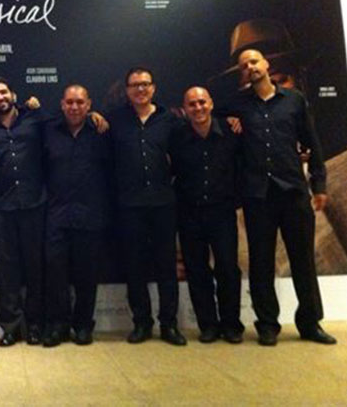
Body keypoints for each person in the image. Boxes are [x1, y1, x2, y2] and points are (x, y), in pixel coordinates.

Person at [231, 49, 336, 346]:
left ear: (266, 64)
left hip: (293, 192)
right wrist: (229, 122)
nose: (250, 67)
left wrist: (319, 184)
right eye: (244, 65)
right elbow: (208, 115)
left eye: (254, 61)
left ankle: (310, 323)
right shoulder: (238, 104)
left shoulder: (295, 100)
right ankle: (267, 325)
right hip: (257, 196)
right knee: (261, 263)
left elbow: (312, 141)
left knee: (304, 261)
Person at [108, 67, 186, 346]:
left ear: (153, 88)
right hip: (129, 205)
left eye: (145, 84)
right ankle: (141, 323)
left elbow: (184, 154)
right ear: (127, 90)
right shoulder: (114, 120)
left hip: (163, 203)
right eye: (134, 85)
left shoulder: (170, 119)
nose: (140, 89)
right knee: (135, 267)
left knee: (166, 266)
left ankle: (169, 324)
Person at [170, 87, 244, 344]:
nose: (198, 108)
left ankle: (231, 325)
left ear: (211, 103)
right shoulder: (177, 137)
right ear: (185, 109)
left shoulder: (231, 132)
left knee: (228, 269)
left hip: (222, 212)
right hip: (189, 213)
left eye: (202, 102)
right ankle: (208, 325)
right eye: (192, 104)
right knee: (197, 271)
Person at [0, 77, 49, 346]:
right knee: (7, 269)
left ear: (12, 94)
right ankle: (10, 327)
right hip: (3, 206)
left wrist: (92, 116)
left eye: (3, 92)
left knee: (35, 267)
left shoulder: (33, 118)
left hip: (34, 203)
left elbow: (65, 126)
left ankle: (35, 325)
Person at [42, 85, 111, 347]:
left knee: (86, 276)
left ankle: (83, 325)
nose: (74, 107)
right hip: (56, 215)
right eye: (69, 102)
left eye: (80, 102)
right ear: (62, 104)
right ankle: (58, 326)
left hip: (90, 215)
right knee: (55, 276)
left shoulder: (101, 132)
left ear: (89, 104)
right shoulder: (49, 131)